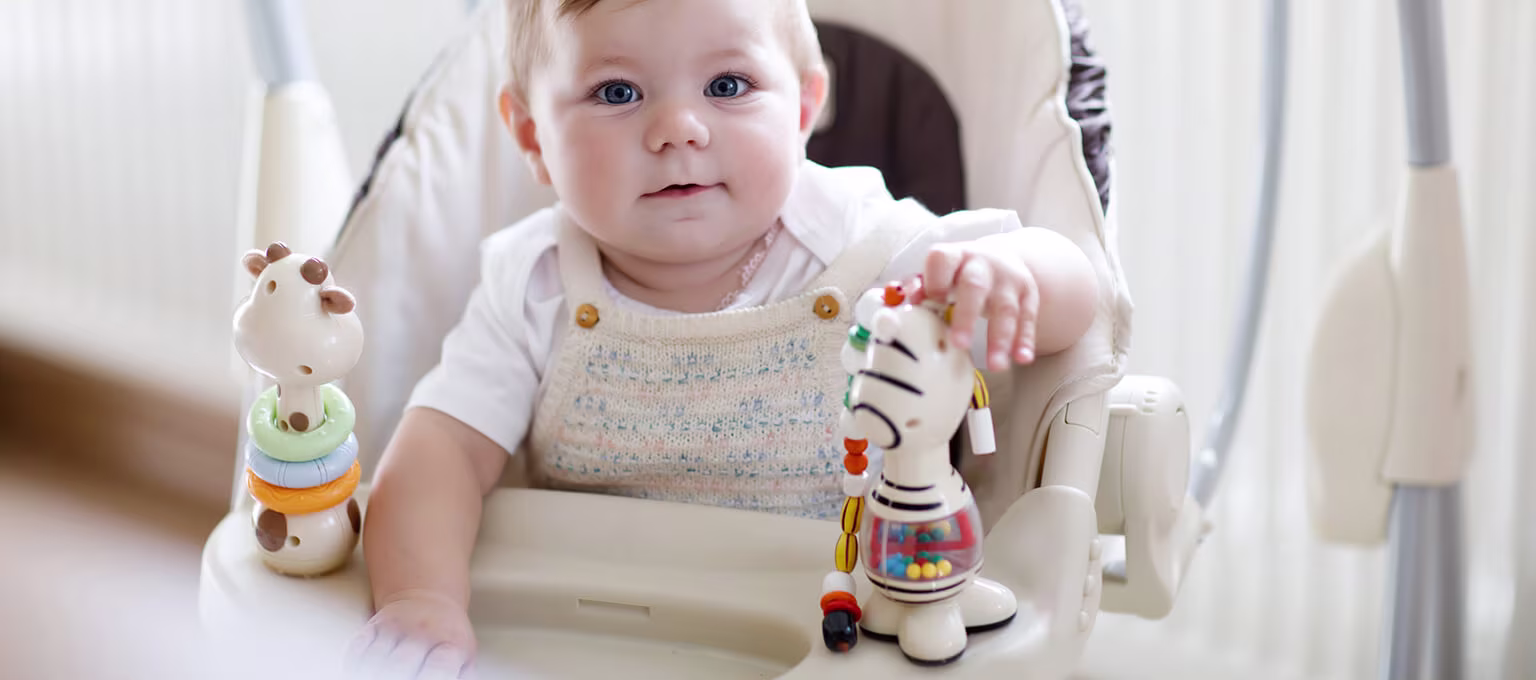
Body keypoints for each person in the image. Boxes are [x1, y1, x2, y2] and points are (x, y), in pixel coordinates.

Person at [348, 0, 1100, 675]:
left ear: (804, 107)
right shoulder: (534, 283)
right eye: (618, 92)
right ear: (531, 135)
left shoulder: (867, 247)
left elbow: (1078, 301)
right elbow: (439, 451)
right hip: (598, 629)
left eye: (728, 85)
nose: (679, 127)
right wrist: (421, 597)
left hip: (834, 625)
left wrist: (1010, 277)